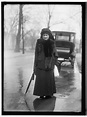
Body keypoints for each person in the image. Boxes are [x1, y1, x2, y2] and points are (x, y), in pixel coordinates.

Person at [33, 28, 58, 99]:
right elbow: (36, 54)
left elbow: (55, 54)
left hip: (50, 65)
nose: (45, 36)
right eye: (44, 35)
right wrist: (35, 65)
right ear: (42, 36)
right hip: (41, 64)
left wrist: (53, 62)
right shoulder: (39, 42)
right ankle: (41, 93)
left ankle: (49, 93)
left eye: (46, 35)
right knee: (41, 79)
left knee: (49, 79)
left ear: (49, 35)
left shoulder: (52, 43)